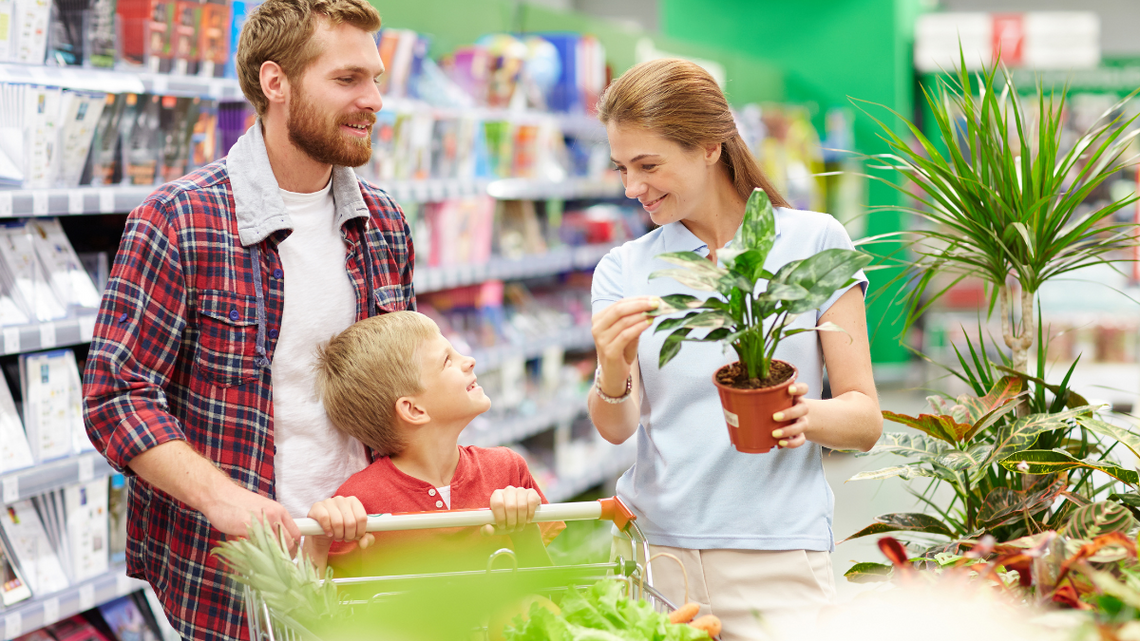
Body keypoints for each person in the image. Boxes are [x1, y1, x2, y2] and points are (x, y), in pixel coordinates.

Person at [81, 0, 413, 638]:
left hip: (365, 558)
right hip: (234, 574)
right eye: (347, 80)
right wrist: (224, 499)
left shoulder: (384, 224)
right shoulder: (180, 220)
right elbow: (116, 396)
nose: (373, 99)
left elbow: (406, 387)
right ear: (275, 83)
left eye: (376, 78)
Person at [588, 59, 883, 640]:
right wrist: (611, 367)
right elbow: (616, 429)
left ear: (709, 147)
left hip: (777, 557)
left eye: (648, 165)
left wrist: (803, 415)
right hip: (660, 555)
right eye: (622, 167)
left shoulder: (813, 241)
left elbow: (865, 419)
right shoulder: (626, 268)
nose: (632, 187)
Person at [302, 311, 563, 576]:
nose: (470, 360)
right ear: (414, 410)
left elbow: (547, 590)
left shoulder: (507, 469)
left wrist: (526, 530)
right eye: (447, 360)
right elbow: (325, 611)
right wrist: (317, 543)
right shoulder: (357, 504)